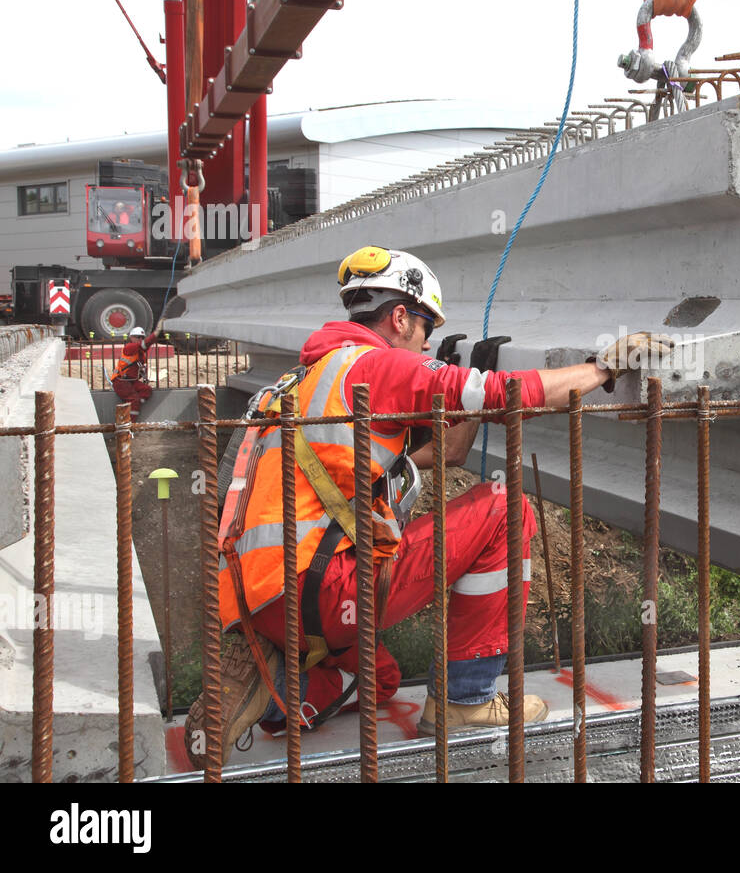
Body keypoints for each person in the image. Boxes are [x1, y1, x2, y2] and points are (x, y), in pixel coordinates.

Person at [186, 245, 672, 769]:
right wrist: (602, 367)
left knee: (383, 678)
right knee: (506, 508)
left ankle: (277, 682)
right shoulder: (382, 366)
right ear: (400, 317)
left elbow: (445, 453)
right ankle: (465, 700)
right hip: (319, 590)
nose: (427, 343)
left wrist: (459, 397)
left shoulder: (300, 381)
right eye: (426, 329)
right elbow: (513, 393)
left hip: (256, 598)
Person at [110, 326, 157, 420]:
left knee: (146, 390)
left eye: (141, 337)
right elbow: (144, 345)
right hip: (120, 381)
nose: (139, 339)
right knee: (134, 400)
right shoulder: (129, 347)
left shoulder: (140, 353)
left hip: (130, 381)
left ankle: (131, 407)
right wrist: (155, 335)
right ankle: (129, 423)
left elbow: (143, 348)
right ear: (131, 337)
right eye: (137, 337)